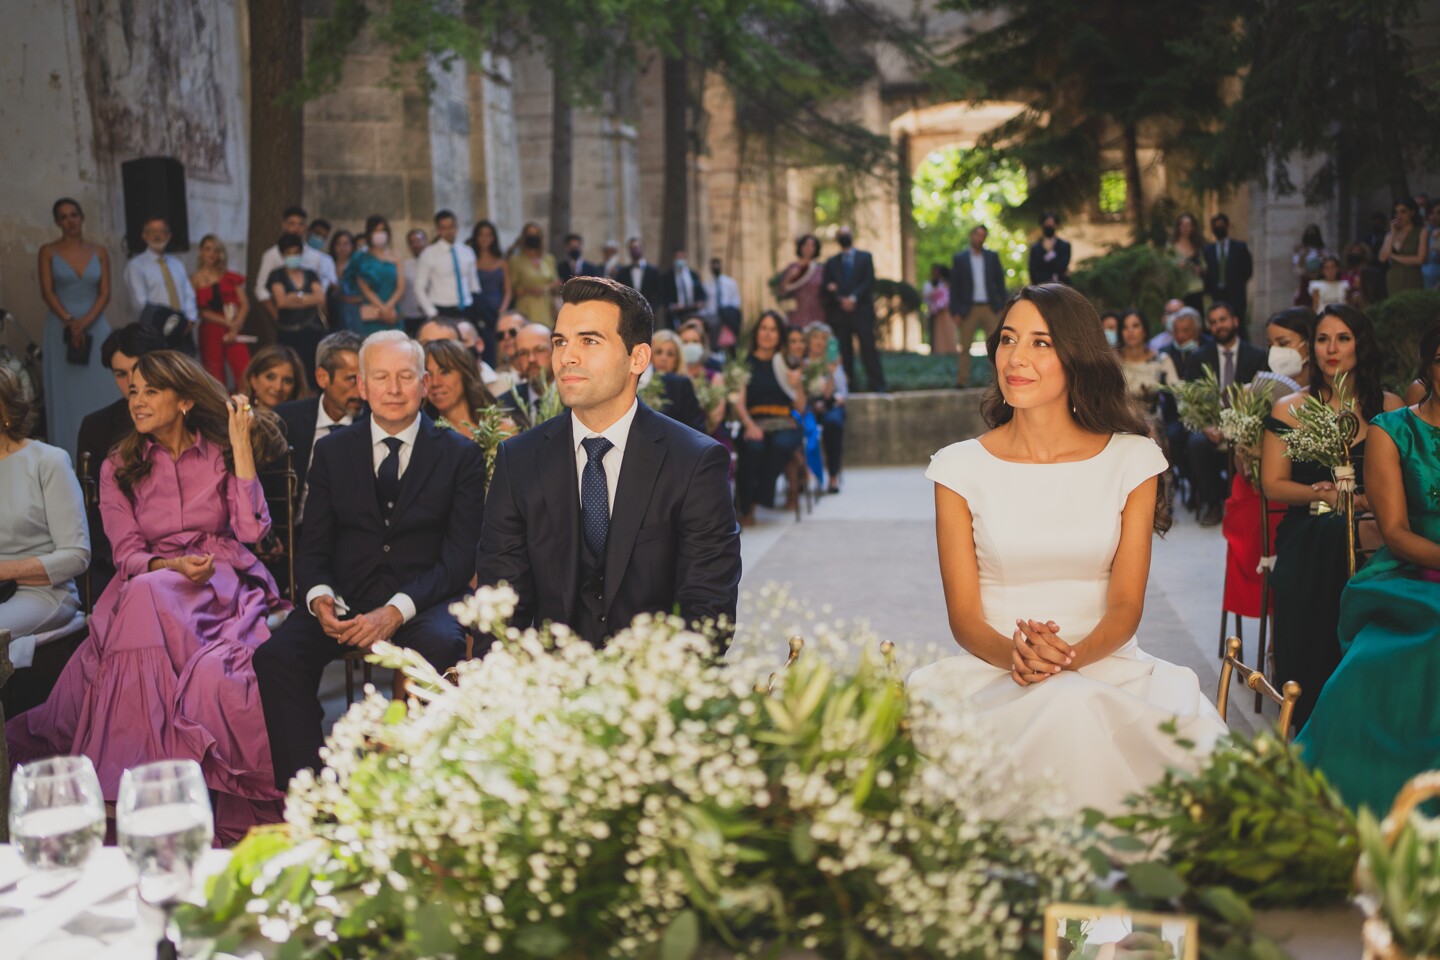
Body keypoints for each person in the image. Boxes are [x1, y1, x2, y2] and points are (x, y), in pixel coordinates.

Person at [908, 282, 1226, 814]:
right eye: (1008, 339)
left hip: (1109, 666)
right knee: (1059, 707)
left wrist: (1067, 660)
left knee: (1076, 706)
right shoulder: (958, 467)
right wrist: (1022, 659)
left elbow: (1125, 606)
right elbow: (963, 617)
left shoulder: (1132, 459)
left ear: (1076, 355)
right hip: (994, 671)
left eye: (1041, 343)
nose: (1016, 358)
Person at [8, 351, 292, 843]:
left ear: (184, 401)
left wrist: (241, 448)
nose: (136, 400)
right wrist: (172, 566)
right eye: (133, 390)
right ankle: (138, 780)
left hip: (218, 583)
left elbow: (250, 532)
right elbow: (127, 554)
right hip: (151, 581)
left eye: (150, 391)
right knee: (143, 591)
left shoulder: (220, 452)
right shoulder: (120, 465)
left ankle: (121, 783)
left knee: (148, 603)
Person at [254, 331, 486, 787]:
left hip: (424, 601)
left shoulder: (460, 454)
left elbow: (459, 560)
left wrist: (395, 611)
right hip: (346, 601)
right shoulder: (331, 450)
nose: (393, 389)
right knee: (276, 657)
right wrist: (320, 597)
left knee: (442, 645)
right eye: (381, 377)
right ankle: (312, 792)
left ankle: (420, 783)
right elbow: (313, 545)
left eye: (405, 377)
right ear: (362, 385)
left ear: (424, 384)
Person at [475, 276, 741, 649]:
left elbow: (708, 610)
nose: (566, 357)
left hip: (654, 675)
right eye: (560, 342)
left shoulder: (694, 462)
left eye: (589, 341)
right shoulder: (518, 460)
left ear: (638, 358)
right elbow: (500, 608)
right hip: (548, 677)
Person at [1296, 322, 1440, 813]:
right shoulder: (1392, 430)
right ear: (1427, 367)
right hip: (1412, 573)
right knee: (1369, 666)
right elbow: (1394, 531)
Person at [1260, 304, 1404, 729]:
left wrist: (1368, 503)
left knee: (1377, 545)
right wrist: (1326, 494)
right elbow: (1273, 484)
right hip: (1309, 525)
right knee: (1331, 538)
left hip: (1377, 526)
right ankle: (1313, 709)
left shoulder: (1390, 406)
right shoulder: (1289, 408)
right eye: (1323, 339)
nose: (1332, 349)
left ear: (1361, 344)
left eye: (1343, 338)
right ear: (1312, 348)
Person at [1218, 308, 1314, 632]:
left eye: (1284, 343)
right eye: (1271, 344)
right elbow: (1242, 468)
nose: (1276, 352)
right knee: (1260, 516)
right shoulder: (1254, 392)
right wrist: (1249, 449)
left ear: (1309, 342)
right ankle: (1278, 628)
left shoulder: (1326, 392)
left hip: (1310, 488)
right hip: (1260, 489)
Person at [0, 367, 89, 671]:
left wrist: (5, 571)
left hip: (44, 593)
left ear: (6, 411)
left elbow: (77, 556)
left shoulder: (47, 461)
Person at [39, 198, 113, 461]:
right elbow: (47, 293)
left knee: (105, 387)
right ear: (57, 222)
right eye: (63, 216)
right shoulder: (48, 251)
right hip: (61, 330)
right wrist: (71, 321)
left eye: (74, 214)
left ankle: (110, 452)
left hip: (96, 326)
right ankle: (68, 457)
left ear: (82, 217)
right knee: (66, 397)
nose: (70, 220)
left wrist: (85, 321)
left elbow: (105, 292)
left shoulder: (100, 251)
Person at [1183, 301, 1268, 526]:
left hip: (1244, 424)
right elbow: (1190, 398)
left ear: (1235, 321)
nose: (1218, 326)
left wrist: (1235, 426)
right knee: (1196, 444)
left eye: (1223, 319)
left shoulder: (1257, 356)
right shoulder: (1199, 357)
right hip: (1210, 423)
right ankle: (1212, 503)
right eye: (1213, 322)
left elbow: (1262, 399)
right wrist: (1205, 426)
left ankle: (1245, 502)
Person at [272, 330, 365, 525]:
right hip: (297, 532)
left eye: (365, 380)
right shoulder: (286, 421)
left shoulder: (375, 422)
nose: (361, 391)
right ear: (322, 377)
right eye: (352, 379)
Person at [734, 310, 805, 525]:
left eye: (773, 329)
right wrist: (749, 424)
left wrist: (797, 385)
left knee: (781, 445)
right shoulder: (744, 363)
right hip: (754, 421)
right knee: (753, 447)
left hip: (785, 423)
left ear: (779, 335)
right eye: (763, 328)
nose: (767, 334)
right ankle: (747, 507)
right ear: (757, 332)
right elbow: (739, 401)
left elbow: (800, 407)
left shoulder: (787, 362)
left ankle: (758, 498)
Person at [423, 338, 504, 469]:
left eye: (445, 372)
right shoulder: (423, 438)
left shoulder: (501, 428)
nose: (435, 383)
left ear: (465, 373)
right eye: (429, 375)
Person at [823, 225, 886, 393]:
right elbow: (827, 286)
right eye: (841, 234)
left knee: (868, 349)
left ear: (852, 236)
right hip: (840, 315)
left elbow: (868, 281)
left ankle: (877, 384)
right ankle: (849, 385)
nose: (844, 237)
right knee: (844, 351)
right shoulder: (832, 262)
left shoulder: (865, 257)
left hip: (862, 312)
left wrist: (853, 298)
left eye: (846, 234)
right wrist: (840, 299)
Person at [124, 216, 197, 355]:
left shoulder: (177, 264)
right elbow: (140, 304)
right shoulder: (136, 266)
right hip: (155, 331)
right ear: (144, 235)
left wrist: (190, 320)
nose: (157, 235)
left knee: (185, 367)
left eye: (162, 231)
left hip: (182, 329)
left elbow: (188, 293)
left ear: (169, 236)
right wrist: (163, 323)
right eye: (152, 231)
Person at [415, 210, 485, 349]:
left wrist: (477, 309)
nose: (449, 231)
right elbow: (419, 287)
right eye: (444, 227)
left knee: (468, 348)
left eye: (451, 226)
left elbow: (474, 285)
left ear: (456, 227)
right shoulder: (429, 253)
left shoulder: (467, 251)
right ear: (438, 230)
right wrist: (432, 312)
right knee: (446, 349)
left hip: (466, 308)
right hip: (442, 309)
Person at [949, 225, 1007, 389]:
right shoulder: (960, 258)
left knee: (995, 346)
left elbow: (1000, 282)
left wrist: (1002, 305)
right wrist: (955, 311)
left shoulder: (992, 257)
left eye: (983, 235)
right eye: (977, 234)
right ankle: (962, 381)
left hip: (990, 307)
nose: (980, 238)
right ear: (971, 235)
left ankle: (998, 383)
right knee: (964, 346)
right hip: (968, 309)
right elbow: (954, 286)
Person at [191, 234, 251, 388]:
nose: (211, 254)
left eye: (215, 250)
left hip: (234, 326)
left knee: (244, 369)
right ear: (201, 251)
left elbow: (244, 303)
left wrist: (236, 325)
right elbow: (200, 311)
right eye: (208, 249)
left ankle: (248, 401)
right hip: (210, 329)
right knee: (214, 374)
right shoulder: (195, 279)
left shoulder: (229, 276)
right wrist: (227, 323)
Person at [254, 206, 335, 323]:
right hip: (284, 317)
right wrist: (276, 315)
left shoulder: (314, 256)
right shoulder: (272, 255)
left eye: (300, 224)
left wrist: (302, 299)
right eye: (291, 223)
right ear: (284, 225)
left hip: (311, 318)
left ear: (305, 227)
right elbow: (260, 288)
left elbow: (320, 289)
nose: (296, 228)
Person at [265, 233, 328, 377]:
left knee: (311, 370)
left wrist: (296, 297)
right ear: (282, 254)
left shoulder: (310, 274)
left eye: (296, 252)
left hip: (312, 330)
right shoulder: (277, 275)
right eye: (289, 253)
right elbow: (281, 302)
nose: (293, 256)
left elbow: (320, 298)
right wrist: (307, 298)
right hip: (289, 331)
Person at [805, 322, 847, 494]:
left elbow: (841, 393)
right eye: (815, 337)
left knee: (833, 424)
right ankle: (804, 474)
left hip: (830, 406)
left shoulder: (833, 362)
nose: (819, 342)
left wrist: (831, 372)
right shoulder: (802, 363)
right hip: (808, 407)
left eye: (823, 338)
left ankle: (833, 475)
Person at [347, 215, 405, 337]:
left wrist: (389, 307)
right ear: (369, 234)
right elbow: (365, 289)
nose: (380, 234)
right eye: (376, 231)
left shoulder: (396, 256)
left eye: (382, 230)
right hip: (372, 311)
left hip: (393, 311)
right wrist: (382, 309)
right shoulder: (361, 257)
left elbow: (400, 287)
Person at [1116, 309, 1178, 419]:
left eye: (1135, 326)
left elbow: (1178, 392)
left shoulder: (1161, 360)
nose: (1130, 331)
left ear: (1144, 330)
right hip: (1120, 422)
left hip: (1154, 422)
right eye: (1125, 327)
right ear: (1120, 332)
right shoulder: (1113, 364)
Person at [643, 330, 707, 435]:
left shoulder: (682, 384)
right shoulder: (639, 383)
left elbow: (696, 428)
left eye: (670, 354)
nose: (664, 358)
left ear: (677, 360)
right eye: (658, 352)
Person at [678, 320, 729, 441]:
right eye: (685, 342)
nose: (690, 346)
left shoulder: (715, 378)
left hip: (710, 439)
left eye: (695, 341)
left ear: (703, 345)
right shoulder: (673, 378)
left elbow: (716, 416)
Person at [499, 323, 556, 427]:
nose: (531, 359)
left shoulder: (574, 400)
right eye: (523, 353)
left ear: (555, 351)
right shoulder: (504, 405)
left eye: (539, 350)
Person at [1202, 213, 1253, 324]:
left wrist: (1237, 283)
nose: (1219, 228)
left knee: (1238, 321)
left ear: (1227, 226)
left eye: (1221, 225)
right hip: (1216, 293)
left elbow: (1247, 269)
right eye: (1216, 226)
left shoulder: (1240, 247)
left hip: (1236, 293)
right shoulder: (1207, 250)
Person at [509, 222, 560, 326]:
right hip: (526, 306)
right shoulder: (515, 260)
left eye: (536, 234)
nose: (533, 237)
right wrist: (529, 290)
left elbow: (555, 282)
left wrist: (546, 288)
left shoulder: (548, 259)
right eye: (530, 234)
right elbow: (513, 287)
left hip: (546, 306)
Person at [1378, 196, 1428, 295]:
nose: (1399, 215)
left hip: (1412, 276)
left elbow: (1420, 259)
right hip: (1394, 277)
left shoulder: (1421, 232)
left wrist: (1393, 256)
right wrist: (1392, 233)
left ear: (1412, 212)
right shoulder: (1390, 235)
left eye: (1403, 211)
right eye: (1396, 212)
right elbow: (1382, 258)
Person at [469, 220, 513, 324]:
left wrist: (503, 309)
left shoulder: (502, 262)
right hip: (478, 310)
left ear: (493, 238)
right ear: (476, 237)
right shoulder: (470, 260)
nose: (485, 239)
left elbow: (508, 291)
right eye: (481, 235)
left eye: (488, 235)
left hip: (499, 308)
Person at [780, 234, 826, 330]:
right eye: (806, 245)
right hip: (798, 314)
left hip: (817, 314)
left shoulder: (820, 269)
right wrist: (791, 276)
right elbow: (783, 291)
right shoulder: (793, 267)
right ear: (800, 247)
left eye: (812, 245)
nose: (809, 248)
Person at [244, 344, 309, 411]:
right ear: (253, 380)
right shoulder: (241, 413)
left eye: (287, 381)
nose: (278, 387)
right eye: (270, 377)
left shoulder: (305, 416)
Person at [613, 237, 665, 319]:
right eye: (632, 248)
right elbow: (618, 292)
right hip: (629, 315)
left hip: (649, 315)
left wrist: (652, 310)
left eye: (637, 247)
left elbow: (659, 294)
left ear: (643, 249)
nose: (635, 251)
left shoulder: (653, 271)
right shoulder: (623, 272)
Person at [1168, 212, 1206, 312]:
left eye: (1189, 225)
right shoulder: (1171, 246)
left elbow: (1204, 265)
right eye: (1183, 225)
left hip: (1196, 287)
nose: (1186, 228)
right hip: (1179, 288)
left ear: (1193, 227)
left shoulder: (1197, 245)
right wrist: (1177, 266)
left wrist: (1200, 269)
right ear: (1178, 227)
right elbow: (1166, 265)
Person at [327, 230, 364, 334]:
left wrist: (344, 298)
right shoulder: (327, 263)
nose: (342, 248)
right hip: (332, 315)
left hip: (354, 314)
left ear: (352, 246)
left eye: (346, 244)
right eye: (338, 244)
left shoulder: (358, 266)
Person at [661, 248, 707, 330]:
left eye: (682, 257)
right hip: (675, 314)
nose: (680, 260)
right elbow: (663, 295)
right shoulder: (668, 276)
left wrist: (700, 302)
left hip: (692, 311)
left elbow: (701, 292)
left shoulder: (693, 275)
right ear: (674, 259)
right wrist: (671, 306)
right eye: (678, 257)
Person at [703, 257, 742, 347]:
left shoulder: (730, 282)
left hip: (727, 317)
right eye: (713, 265)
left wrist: (729, 312)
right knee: (714, 341)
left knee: (729, 341)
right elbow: (705, 303)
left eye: (717, 264)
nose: (715, 267)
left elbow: (736, 299)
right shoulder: (707, 285)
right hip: (712, 317)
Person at [396, 228, 428, 336]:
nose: (416, 245)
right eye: (412, 242)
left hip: (431, 314)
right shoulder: (404, 265)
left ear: (426, 241)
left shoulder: (435, 264)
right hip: (410, 317)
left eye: (419, 240)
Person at [490, 311, 528, 396]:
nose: (506, 337)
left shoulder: (549, 371)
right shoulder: (496, 380)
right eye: (500, 335)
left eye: (513, 332)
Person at [1027, 211, 1071, 285]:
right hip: (1042, 286)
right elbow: (1033, 269)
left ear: (1056, 225)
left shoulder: (1064, 246)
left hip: (1061, 285)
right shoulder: (1035, 248)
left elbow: (1062, 266)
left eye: (1051, 224)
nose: (1049, 226)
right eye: (1046, 224)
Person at [923, 264, 956, 361]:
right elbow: (927, 296)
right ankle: (938, 350)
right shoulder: (932, 284)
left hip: (946, 312)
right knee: (937, 333)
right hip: (937, 312)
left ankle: (948, 349)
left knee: (947, 331)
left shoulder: (947, 284)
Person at [1292, 224, 1330, 307]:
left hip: (1320, 281)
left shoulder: (1323, 251)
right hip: (1306, 282)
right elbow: (1298, 268)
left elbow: (1328, 264)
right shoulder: (1301, 251)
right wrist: (1303, 255)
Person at [1422, 199, 1440, 291]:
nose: (1434, 216)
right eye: (1431, 212)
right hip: (1420, 277)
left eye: (1438, 213)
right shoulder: (1422, 231)